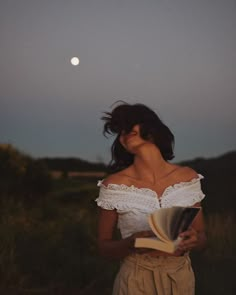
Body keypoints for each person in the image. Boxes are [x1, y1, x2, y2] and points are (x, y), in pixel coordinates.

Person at [95, 102, 207, 295]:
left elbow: (203, 237)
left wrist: (194, 240)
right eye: (120, 130)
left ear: (152, 128)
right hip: (135, 280)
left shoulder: (187, 177)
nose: (125, 132)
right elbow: (103, 246)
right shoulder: (113, 185)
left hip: (180, 279)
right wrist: (129, 244)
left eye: (130, 125)